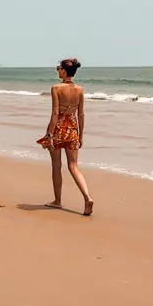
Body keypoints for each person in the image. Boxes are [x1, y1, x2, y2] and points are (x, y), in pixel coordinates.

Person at [36, 58, 95, 216]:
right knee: (74, 166)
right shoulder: (80, 90)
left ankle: (57, 201)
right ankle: (87, 197)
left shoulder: (56, 88)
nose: (58, 71)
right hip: (72, 129)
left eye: (58, 68)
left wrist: (49, 133)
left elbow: (55, 113)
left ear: (63, 71)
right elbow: (81, 115)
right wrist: (80, 135)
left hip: (58, 129)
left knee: (56, 165)